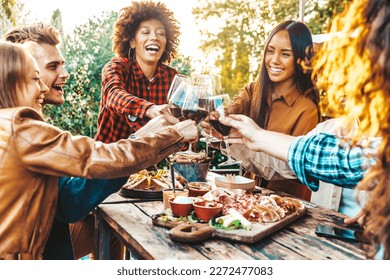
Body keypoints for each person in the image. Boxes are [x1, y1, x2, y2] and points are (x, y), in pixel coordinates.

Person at [220, 0, 389, 259]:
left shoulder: (311, 112)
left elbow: (337, 159)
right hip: (316, 243)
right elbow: (287, 163)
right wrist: (240, 138)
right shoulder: (332, 128)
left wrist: (255, 136)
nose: (345, 83)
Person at [0, 41, 198, 260]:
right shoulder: (21, 126)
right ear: (10, 81)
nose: (44, 88)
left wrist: (142, 137)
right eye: (36, 78)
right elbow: (102, 159)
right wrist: (174, 135)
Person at [3, 23, 127, 260]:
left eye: (63, 63)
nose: (65, 73)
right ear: (22, 71)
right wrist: (131, 156)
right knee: (110, 224)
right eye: (52, 66)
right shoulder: (22, 126)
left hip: (44, 233)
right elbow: (69, 202)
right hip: (32, 251)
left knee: (108, 228)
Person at [225, 20, 320, 201]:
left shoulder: (307, 109)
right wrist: (215, 118)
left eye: (285, 54)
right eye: (270, 51)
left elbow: (288, 169)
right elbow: (228, 110)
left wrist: (235, 142)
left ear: (301, 58)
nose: (274, 60)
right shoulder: (253, 90)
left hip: (286, 205)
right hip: (249, 198)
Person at [95, 0, 180, 143]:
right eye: (145, 32)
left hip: (153, 163)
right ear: (132, 42)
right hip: (109, 158)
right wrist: (149, 109)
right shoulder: (117, 67)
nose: (154, 37)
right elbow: (113, 95)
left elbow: (181, 124)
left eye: (161, 33)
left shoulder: (173, 78)